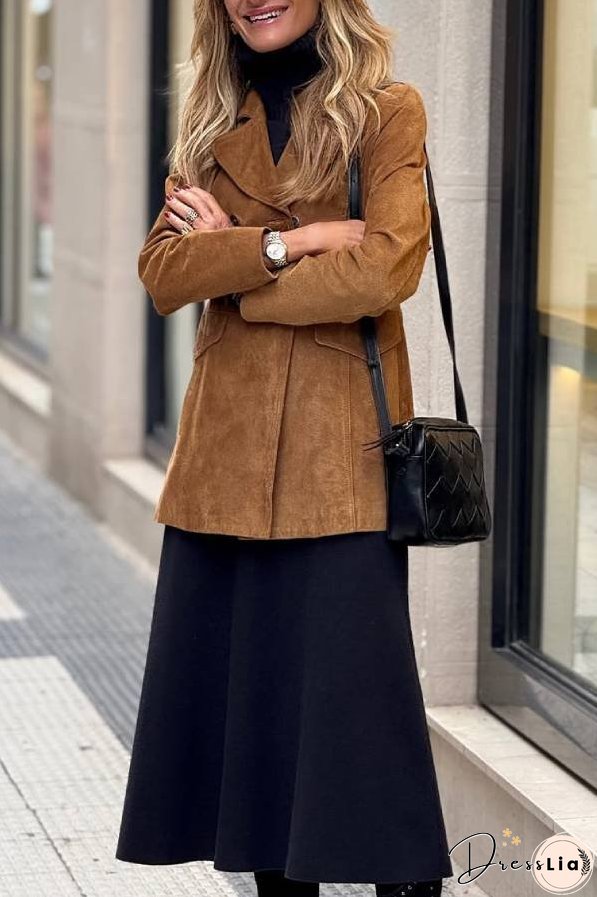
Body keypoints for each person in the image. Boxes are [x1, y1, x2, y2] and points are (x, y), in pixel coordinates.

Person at [115, 1, 454, 895]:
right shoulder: (207, 124)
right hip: (222, 463)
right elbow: (162, 274)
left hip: (340, 458)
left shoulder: (386, 109)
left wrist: (236, 276)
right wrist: (287, 241)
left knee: (362, 705)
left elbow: (385, 266)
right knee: (251, 714)